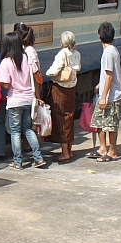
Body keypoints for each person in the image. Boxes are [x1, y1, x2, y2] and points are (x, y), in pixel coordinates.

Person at [0, 32, 45, 170]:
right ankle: (38, 158)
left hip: (15, 102)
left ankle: (18, 162)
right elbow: (36, 76)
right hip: (29, 100)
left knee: (15, 132)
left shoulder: (6, 62)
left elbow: (6, 84)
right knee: (28, 130)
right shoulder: (27, 58)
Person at [46, 31, 82, 162]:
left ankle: (65, 152)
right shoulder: (77, 54)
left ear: (63, 42)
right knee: (69, 117)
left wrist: (48, 73)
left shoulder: (62, 54)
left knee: (61, 119)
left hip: (60, 89)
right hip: (72, 88)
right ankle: (69, 151)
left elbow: (53, 71)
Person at [91, 22, 121, 162]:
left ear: (100, 37)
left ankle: (112, 152)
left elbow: (110, 75)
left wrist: (103, 96)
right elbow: (109, 75)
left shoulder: (108, 53)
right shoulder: (112, 50)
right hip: (107, 92)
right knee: (99, 122)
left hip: (111, 96)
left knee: (110, 124)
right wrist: (100, 84)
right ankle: (103, 148)